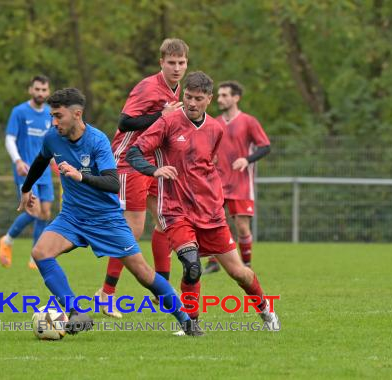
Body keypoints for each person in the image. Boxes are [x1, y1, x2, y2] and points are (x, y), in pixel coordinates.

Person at [17, 88, 203, 336]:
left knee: (143, 273)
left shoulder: (97, 141)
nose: (54, 122)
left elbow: (113, 183)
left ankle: (186, 320)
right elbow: (41, 160)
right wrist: (26, 188)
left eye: (58, 116)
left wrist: (80, 176)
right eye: (52, 116)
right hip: (72, 217)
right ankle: (76, 312)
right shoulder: (52, 137)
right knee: (40, 252)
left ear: (77, 114)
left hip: (106, 220)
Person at [125, 72, 280, 329]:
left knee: (238, 273)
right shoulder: (167, 123)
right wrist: (154, 170)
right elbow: (134, 151)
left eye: (198, 98)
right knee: (192, 264)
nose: (192, 103)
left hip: (210, 212)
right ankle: (191, 324)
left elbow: (208, 164)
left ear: (209, 99)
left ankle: (265, 309)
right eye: (188, 96)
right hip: (176, 211)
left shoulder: (215, 129)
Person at [96, 38, 189, 318]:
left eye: (181, 63)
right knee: (133, 230)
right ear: (161, 62)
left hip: (155, 163)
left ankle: (163, 290)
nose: (176, 68)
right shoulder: (148, 87)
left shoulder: (177, 88)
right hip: (129, 162)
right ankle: (106, 294)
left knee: (166, 221)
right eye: (171, 62)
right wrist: (161, 116)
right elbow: (124, 122)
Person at [203, 81, 270, 274]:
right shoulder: (214, 123)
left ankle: (246, 265)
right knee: (210, 222)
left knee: (241, 226)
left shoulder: (249, 121)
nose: (220, 99)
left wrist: (246, 160)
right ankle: (213, 262)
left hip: (241, 182)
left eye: (225, 95)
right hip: (217, 182)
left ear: (236, 98)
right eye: (220, 95)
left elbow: (265, 146)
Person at [0, 75, 57, 270]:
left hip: (45, 171)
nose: (41, 93)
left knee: (45, 212)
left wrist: (58, 161)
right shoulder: (20, 112)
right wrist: (17, 160)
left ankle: (35, 256)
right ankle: (7, 240)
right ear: (30, 90)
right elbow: (9, 139)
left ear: (48, 92)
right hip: (26, 170)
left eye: (44, 90)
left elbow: (53, 141)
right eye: (37, 89)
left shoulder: (50, 114)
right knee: (34, 210)